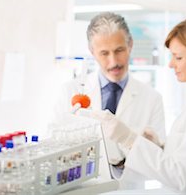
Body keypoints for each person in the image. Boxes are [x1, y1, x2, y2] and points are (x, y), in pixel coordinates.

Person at [86, 16, 186, 193]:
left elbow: (182, 176)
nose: (171, 64)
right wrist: (161, 147)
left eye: (178, 57)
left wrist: (129, 139)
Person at [56, 12, 166, 177]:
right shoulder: (70, 91)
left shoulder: (152, 99)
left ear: (130, 45)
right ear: (92, 52)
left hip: (131, 186)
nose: (113, 61)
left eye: (119, 50)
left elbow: (159, 160)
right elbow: (53, 142)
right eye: (104, 53)